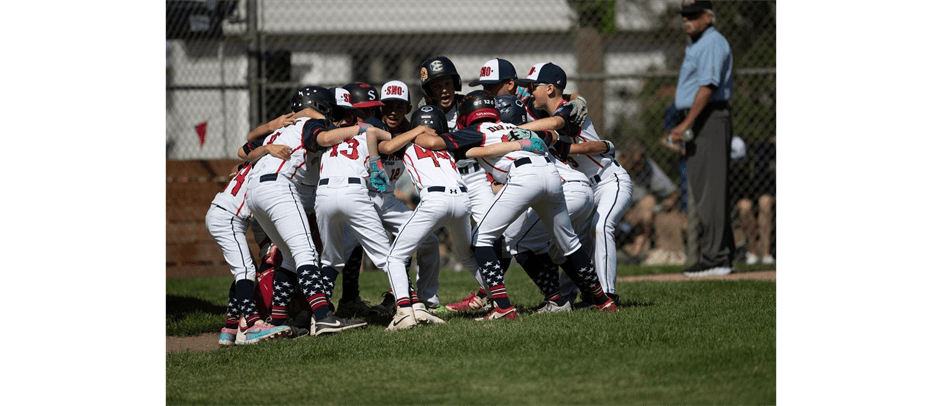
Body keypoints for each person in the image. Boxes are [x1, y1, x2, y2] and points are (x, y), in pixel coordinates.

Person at [424, 90, 618, 320]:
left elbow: (435, 143)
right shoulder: (516, 128)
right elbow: (553, 137)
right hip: (551, 176)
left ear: (467, 115)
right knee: (568, 242)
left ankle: (503, 307)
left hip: (524, 176)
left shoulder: (475, 131)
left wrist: (418, 132)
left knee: (482, 239)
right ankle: (603, 300)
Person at [245, 86, 374, 336]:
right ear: (320, 108)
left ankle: (276, 320)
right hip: (280, 185)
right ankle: (324, 316)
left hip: (255, 190)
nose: (331, 118)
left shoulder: (283, 128)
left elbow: (247, 147)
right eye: (329, 111)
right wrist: (360, 128)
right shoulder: (308, 123)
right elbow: (323, 138)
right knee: (305, 252)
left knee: (289, 256)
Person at [518, 62, 632, 305]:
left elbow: (589, 143)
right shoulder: (545, 108)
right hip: (585, 187)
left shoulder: (569, 110)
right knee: (569, 244)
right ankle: (575, 296)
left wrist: (519, 131)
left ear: (549, 89)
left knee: (602, 227)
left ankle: (609, 295)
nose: (529, 92)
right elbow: (519, 95)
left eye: (533, 86)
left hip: (609, 180)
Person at [666, 0, 736, 277]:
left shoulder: (712, 42)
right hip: (701, 119)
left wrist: (686, 123)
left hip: (710, 118)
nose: (687, 20)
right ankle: (720, 255)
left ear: (708, 17)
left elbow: (708, 86)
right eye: (685, 16)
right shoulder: (697, 43)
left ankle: (716, 258)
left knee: (711, 191)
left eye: (693, 15)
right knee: (704, 188)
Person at [208, 150, 293, 346]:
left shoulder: (250, 166)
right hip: (227, 218)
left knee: (244, 269)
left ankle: (229, 329)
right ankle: (254, 325)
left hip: (224, 215)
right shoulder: (264, 169)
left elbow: (235, 169)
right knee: (245, 271)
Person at [617, 139, 684, 265]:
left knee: (649, 201)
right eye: (635, 164)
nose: (639, 168)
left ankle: (639, 253)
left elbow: (672, 192)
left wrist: (668, 202)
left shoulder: (646, 167)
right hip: (611, 210)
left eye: (641, 163)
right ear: (623, 157)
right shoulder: (608, 161)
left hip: (634, 214)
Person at [732, 136, 776, 265]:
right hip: (743, 190)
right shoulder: (728, 163)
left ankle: (766, 252)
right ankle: (752, 251)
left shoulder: (761, 153)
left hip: (761, 186)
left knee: (765, 202)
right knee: (744, 206)